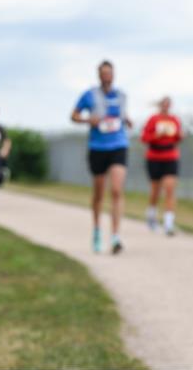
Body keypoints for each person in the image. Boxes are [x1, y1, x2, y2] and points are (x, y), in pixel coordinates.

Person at [71, 60, 131, 254]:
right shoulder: (89, 95)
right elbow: (73, 115)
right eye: (104, 73)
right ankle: (97, 231)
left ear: (114, 75)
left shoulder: (121, 95)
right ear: (99, 75)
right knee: (99, 193)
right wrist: (88, 120)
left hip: (118, 145)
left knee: (116, 190)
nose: (107, 76)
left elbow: (121, 116)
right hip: (98, 147)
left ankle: (115, 236)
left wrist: (127, 120)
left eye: (109, 73)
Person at [140, 96, 182, 235]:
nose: (166, 107)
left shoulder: (174, 120)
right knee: (156, 190)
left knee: (169, 189)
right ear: (160, 105)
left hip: (170, 156)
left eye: (168, 104)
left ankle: (168, 223)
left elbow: (177, 137)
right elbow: (144, 138)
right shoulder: (153, 119)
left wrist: (180, 135)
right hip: (154, 157)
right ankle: (151, 215)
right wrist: (157, 135)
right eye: (164, 104)